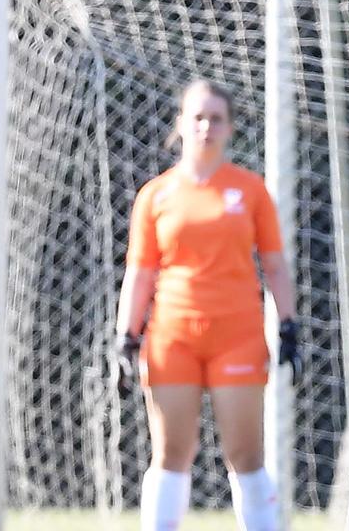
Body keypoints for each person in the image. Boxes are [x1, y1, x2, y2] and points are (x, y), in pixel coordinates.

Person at [114, 79, 302, 531]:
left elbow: (275, 265)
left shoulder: (250, 190)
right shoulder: (155, 195)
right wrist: (127, 334)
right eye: (197, 117)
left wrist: (290, 324)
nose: (205, 127)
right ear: (180, 124)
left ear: (230, 128)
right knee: (171, 454)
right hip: (172, 338)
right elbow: (140, 273)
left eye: (216, 119)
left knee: (245, 455)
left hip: (237, 336)